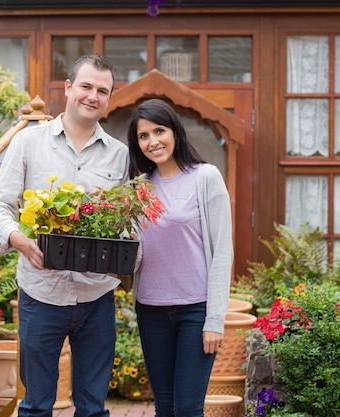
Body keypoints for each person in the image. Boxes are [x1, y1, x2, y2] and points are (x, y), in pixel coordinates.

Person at [0, 54, 129, 417]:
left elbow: (127, 224)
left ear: (109, 99)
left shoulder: (120, 156)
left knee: (93, 408)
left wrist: (125, 252)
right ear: (68, 88)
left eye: (102, 90)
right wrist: (17, 238)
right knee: (35, 406)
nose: (92, 96)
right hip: (40, 293)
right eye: (86, 86)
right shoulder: (28, 143)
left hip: (97, 296)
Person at [126, 98, 233, 417]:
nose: (152, 141)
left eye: (158, 131)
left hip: (195, 311)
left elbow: (223, 251)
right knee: (165, 407)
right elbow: (134, 258)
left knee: (187, 408)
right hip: (150, 310)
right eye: (143, 136)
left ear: (174, 131)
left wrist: (214, 319)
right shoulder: (139, 189)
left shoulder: (206, 177)